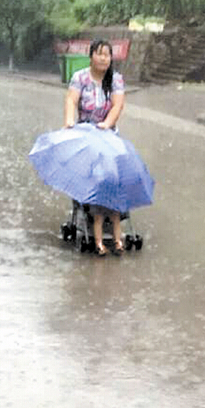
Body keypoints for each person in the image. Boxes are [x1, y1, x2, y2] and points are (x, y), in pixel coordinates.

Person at [64, 39, 126, 256]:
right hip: (84, 134)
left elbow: (118, 105)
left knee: (114, 175)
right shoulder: (80, 77)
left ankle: (116, 217)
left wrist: (106, 125)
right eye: (99, 54)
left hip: (107, 134)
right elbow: (71, 100)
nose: (103, 58)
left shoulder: (116, 79)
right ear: (91, 56)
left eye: (107, 55)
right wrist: (70, 122)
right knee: (87, 175)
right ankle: (89, 210)